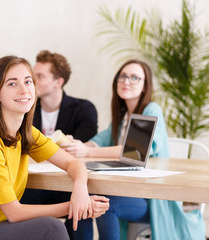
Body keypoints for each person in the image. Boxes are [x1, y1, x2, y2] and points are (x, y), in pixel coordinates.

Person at [0, 56, 109, 240]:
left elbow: (73, 163)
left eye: (28, 81)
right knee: (52, 229)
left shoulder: (26, 133)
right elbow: (14, 213)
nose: (24, 90)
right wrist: (74, 206)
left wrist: (80, 189)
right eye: (12, 84)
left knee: (51, 227)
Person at [61, 59, 205, 239]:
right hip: (127, 191)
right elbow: (97, 142)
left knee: (107, 205)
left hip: (152, 199)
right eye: (123, 76)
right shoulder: (122, 119)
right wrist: (76, 145)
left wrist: (87, 152)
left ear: (145, 86)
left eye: (134, 78)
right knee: (84, 199)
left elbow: (135, 151)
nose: (126, 81)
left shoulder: (151, 110)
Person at [20, 50, 98, 239]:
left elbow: (77, 149)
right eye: (32, 76)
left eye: (39, 76)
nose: (32, 81)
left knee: (85, 204)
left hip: (66, 183)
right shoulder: (23, 107)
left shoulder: (83, 109)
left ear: (59, 82)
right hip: (32, 184)